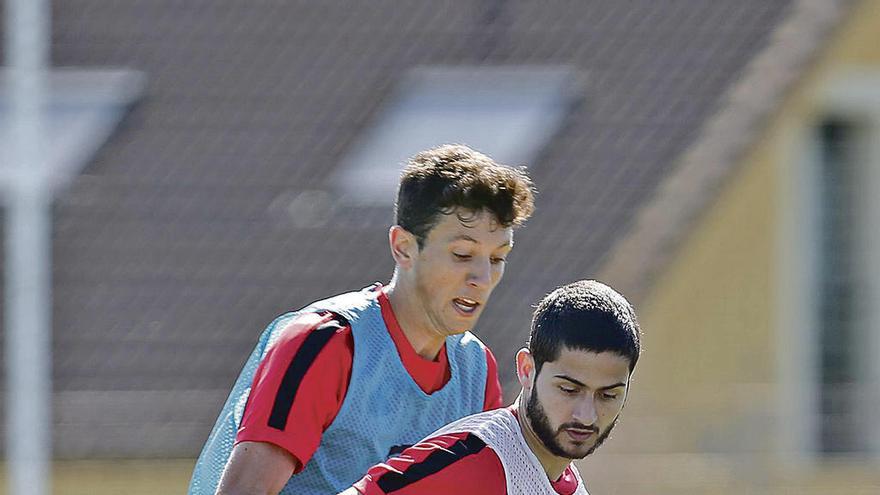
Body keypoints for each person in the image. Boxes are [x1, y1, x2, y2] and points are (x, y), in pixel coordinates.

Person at [188, 144, 536, 495]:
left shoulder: (477, 371)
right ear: (403, 247)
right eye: (463, 254)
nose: (482, 276)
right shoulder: (324, 342)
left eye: (497, 258)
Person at [340, 279, 641, 495]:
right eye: (569, 389)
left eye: (608, 395)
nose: (587, 415)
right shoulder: (472, 461)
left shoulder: (566, 483)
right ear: (527, 369)